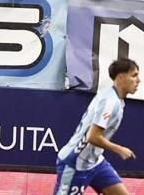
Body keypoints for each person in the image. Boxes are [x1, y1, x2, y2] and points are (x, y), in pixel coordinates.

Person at [55, 57, 139, 195]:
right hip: (75, 163)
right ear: (121, 77)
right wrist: (119, 149)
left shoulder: (116, 99)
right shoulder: (109, 101)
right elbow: (92, 136)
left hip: (95, 162)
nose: (138, 80)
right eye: (134, 75)